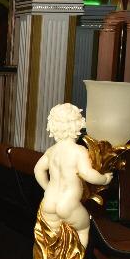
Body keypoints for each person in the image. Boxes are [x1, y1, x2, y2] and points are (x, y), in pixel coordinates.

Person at [32, 103, 111, 248]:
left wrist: (47, 188)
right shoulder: (78, 151)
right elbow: (87, 174)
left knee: (53, 240)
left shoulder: (51, 151)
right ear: (78, 125)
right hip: (68, 203)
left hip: (49, 202)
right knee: (83, 228)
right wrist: (104, 179)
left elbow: (38, 170)